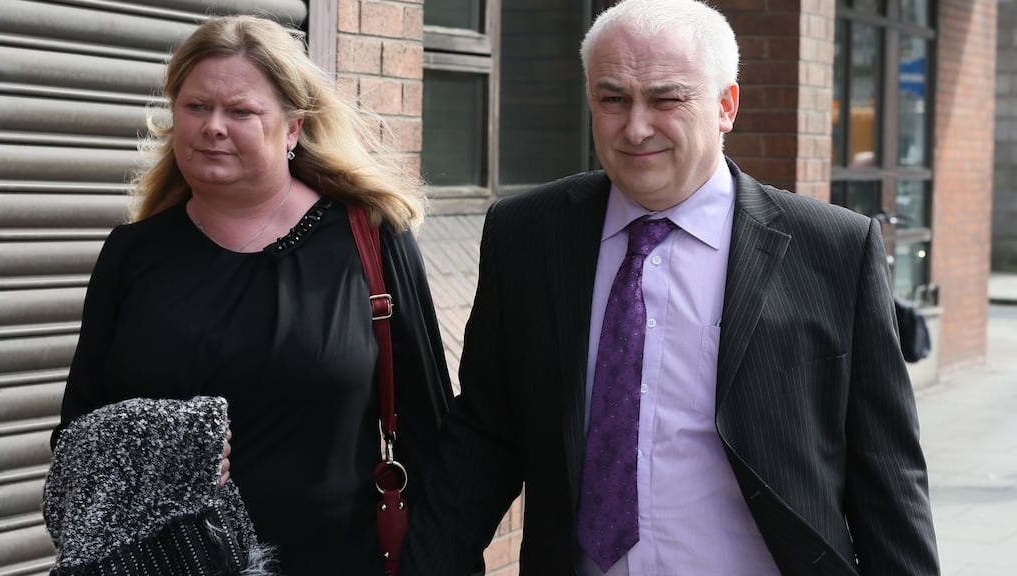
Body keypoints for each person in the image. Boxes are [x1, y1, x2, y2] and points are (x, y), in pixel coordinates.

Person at [401, 1, 939, 575]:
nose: (636, 127)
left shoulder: (833, 250)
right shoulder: (527, 236)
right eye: (613, 99)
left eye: (666, 98)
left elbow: (886, 473)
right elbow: (486, 432)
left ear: (726, 105)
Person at [50, 15, 454, 575]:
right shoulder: (132, 254)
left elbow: (432, 435)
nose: (213, 126)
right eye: (196, 107)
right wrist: (167, 448)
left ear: (293, 128)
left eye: (240, 111)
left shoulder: (371, 241)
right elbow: (76, 437)